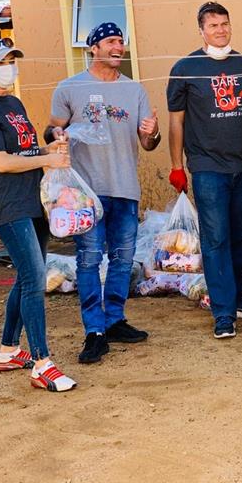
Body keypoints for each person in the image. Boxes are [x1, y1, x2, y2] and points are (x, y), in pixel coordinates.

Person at [0, 38, 76, 391]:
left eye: (12, 60)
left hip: (32, 199)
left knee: (28, 275)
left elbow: (23, 151)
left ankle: (8, 351)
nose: (8, 67)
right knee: (34, 278)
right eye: (0, 62)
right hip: (7, 204)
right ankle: (42, 363)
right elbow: (1, 162)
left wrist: (48, 149)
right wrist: (47, 159)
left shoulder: (14, 102)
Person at [46, 22, 160, 364]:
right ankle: (94, 331)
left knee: (123, 259)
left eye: (121, 41)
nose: (118, 47)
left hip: (125, 189)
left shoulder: (134, 90)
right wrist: (56, 134)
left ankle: (114, 320)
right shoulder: (69, 88)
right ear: (93, 48)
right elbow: (51, 131)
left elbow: (148, 143)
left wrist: (152, 132)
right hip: (85, 194)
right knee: (89, 259)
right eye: (111, 41)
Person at [166, 1, 242, 339]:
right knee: (216, 240)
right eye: (213, 25)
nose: (220, 30)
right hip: (207, 168)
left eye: (224, 24)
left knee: (239, 239)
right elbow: (176, 122)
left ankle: (239, 300)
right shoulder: (185, 69)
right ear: (201, 30)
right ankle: (223, 313)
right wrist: (176, 166)